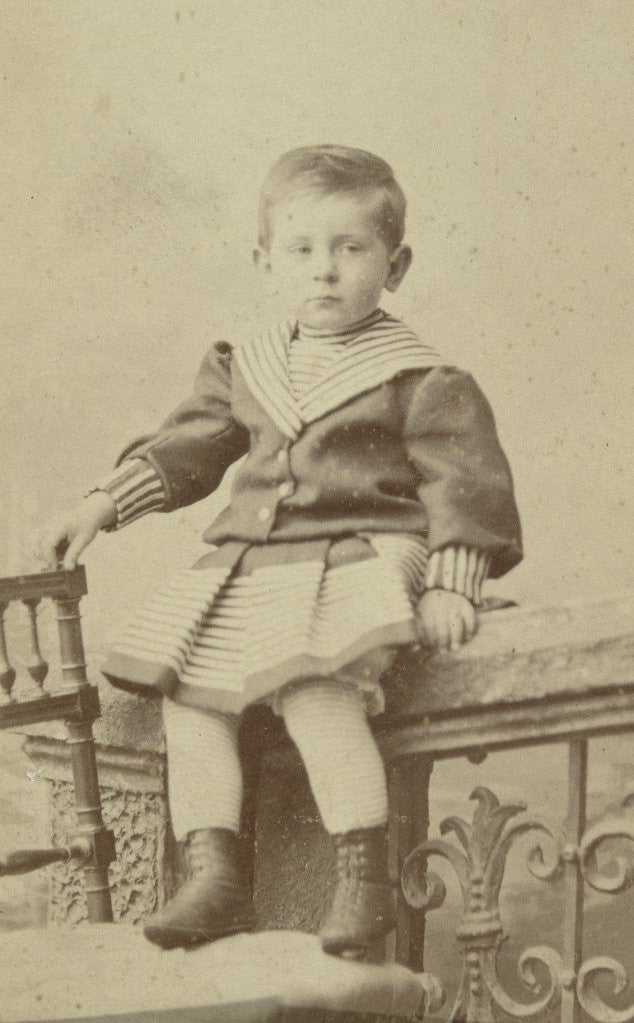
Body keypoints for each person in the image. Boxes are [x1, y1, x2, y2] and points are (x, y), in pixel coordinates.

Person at [35, 144, 522, 958]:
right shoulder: (247, 363)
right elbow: (189, 448)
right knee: (189, 697)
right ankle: (216, 873)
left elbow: (464, 485)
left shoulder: (420, 377)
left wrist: (451, 585)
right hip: (256, 562)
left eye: (349, 248)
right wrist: (101, 504)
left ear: (394, 266)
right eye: (301, 249)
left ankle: (362, 875)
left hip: (363, 553)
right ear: (265, 262)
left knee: (311, 687)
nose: (323, 271)